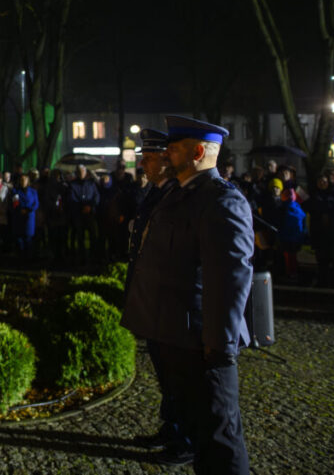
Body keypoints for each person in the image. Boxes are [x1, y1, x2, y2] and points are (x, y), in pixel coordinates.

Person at [122, 116, 254, 473]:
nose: (166, 152)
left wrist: (220, 347)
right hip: (176, 335)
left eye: (174, 147)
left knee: (219, 443)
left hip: (202, 345)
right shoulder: (180, 193)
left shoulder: (219, 200)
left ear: (197, 151)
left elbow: (230, 279)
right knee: (199, 434)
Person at [124, 129, 188, 456]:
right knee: (164, 370)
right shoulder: (155, 192)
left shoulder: (176, 194)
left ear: (166, 160)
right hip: (151, 293)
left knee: (176, 373)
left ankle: (184, 438)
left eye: (149, 158)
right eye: (143, 158)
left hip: (167, 297)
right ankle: (171, 427)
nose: (143, 165)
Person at [67, 164, 100, 265]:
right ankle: (81, 258)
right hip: (79, 214)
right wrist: (82, 207)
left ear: (85, 172)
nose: (81, 173)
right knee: (80, 237)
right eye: (79, 172)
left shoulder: (91, 184)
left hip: (90, 214)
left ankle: (93, 257)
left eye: (83, 171)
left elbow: (96, 196)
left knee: (93, 236)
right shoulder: (72, 185)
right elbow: (72, 199)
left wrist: (90, 206)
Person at [9, 173, 39, 257]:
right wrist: (20, 210)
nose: (23, 181)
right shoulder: (15, 191)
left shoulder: (33, 191)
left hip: (29, 217)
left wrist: (29, 210)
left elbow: (36, 203)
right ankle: (20, 255)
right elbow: (14, 204)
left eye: (25, 179)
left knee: (28, 238)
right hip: (19, 216)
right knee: (19, 238)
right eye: (21, 180)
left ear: (28, 181)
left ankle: (29, 256)